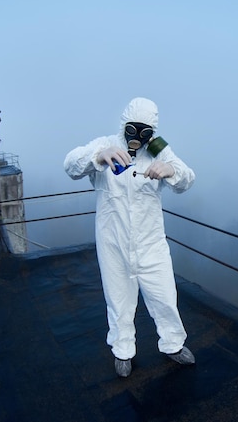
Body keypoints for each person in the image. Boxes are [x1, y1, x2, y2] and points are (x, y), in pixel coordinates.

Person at [63, 97, 196, 377]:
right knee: (119, 299)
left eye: (146, 131)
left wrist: (171, 170)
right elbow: (70, 165)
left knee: (164, 296)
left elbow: (187, 177)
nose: (138, 137)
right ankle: (123, 350)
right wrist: (98, 156)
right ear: (124, 124)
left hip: (151, 243)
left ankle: (173, 344)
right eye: (133, 129)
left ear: (153, 132)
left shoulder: (159, 149)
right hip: (113, 242)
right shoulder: (105, 145)